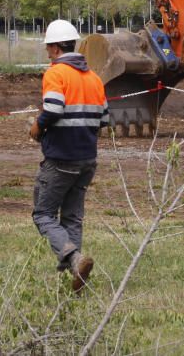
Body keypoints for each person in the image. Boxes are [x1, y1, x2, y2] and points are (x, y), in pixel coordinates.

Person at [29, 19, 109, 292]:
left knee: (43, 214)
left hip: (61, 158)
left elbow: (53, 109)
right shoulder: (95, 78)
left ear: (53, 48)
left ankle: (73, 258)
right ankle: (73, 276)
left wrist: (37, 127)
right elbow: (105, 118)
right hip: (87, 159)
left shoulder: (56, 73)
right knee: (72, 218)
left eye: (47, 47)